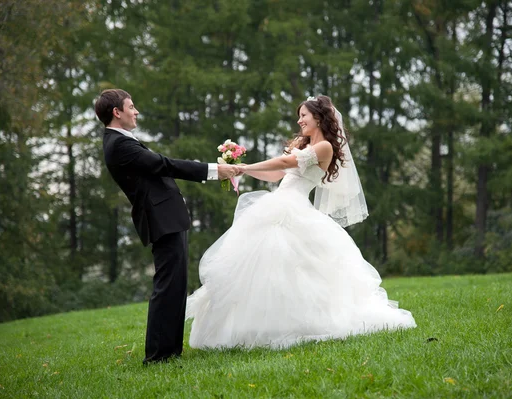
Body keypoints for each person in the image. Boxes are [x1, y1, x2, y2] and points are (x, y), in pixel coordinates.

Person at [185, 95, 416, 349]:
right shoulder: (300, 143)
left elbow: (286, 162)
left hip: (294, 207)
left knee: (294, 268)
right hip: (277, 202)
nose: (299, 120)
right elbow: (276, 173)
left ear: (318, 117)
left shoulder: (325, 147)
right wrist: (242, 169)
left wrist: (244, 165)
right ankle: (256, 326)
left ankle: (299, 324)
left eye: (303, 115)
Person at [94, 89, 239, 364]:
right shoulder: (119, 144)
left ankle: (170, 351)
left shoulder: (122, 140)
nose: (136, 111)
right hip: (161, 219)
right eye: (131, 106)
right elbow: (162, 164)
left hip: (168, 217)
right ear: (117, 112)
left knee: (176, 284)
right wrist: (212, 170)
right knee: (167, 284)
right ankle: (158, 355)